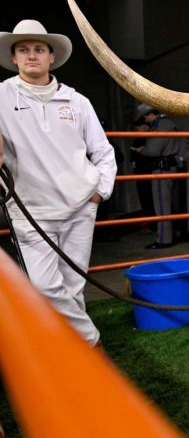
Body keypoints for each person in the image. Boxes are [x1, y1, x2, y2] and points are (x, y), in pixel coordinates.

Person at [0, 19, 117, 347]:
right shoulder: (1, 97)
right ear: (14, 57)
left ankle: (70, 354)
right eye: (23, 50)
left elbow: (103, 151)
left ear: (52, 57)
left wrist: (98, 193)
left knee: (72, 285)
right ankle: (90, 341)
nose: (31, 55)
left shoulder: (76, 102)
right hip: (31, 213)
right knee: (45, 287)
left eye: (39, 49)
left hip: (81, 205)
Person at [131, 103, 179, 249]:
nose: (146, 120)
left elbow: (153, 150)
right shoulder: (166, 124)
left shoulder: (162, 126)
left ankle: (164, 240)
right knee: (168, 205)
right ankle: (169, 235)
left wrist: (140, 149)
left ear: (151, 114)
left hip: (162, 169)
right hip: (168, 167)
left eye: (146, 116)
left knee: (161, 207)